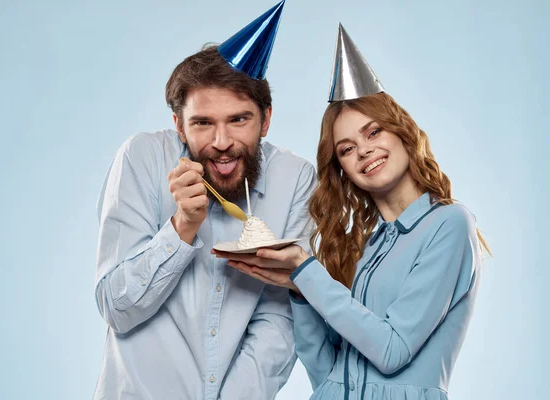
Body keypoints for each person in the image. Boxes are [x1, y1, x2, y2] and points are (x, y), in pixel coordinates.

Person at [215, 24, 491, 400]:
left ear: (402, 133)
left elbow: (392, 352)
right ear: (341, 168)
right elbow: (327, 373)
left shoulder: (449, 224)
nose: (363, 150)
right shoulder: (367, 248)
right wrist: (299, 290)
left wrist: (305, 270)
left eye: (374, 132)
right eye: (346, 149)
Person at [93, 2, 317, 399]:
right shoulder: (141, 158)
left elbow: (279, 318)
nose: (221, 142)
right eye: (202, 123)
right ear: (179, 124)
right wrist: (182, 228)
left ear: (266, 119)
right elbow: (117, 308)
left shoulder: (295, 178)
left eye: (239, 119)